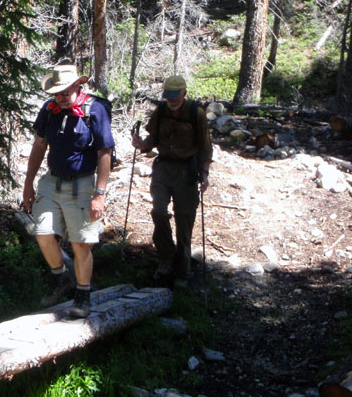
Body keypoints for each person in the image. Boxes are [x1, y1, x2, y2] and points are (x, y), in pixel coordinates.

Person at [23, 64, 115, 315]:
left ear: (78, 86)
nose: (61, 97)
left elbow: (105, 152)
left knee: (80, 243)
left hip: (82, 184)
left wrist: (100, 193)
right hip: (51, 182)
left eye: (65, 91)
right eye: (56, 93)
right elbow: (39, 146)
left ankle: (83, 296)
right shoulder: (49, 110)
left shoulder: (94, 110)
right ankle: (61, 277)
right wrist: (28, 183)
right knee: (42, 232)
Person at [131, 75, 213, 288]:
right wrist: (142, 145)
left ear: (184, 94)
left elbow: (205, 146)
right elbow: (152, 139)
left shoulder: (197, 114)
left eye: (175, 96)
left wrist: (204, 173)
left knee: (184, 220)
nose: (172, 100)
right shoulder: (161, 111)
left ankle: (183, 269)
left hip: (187, 169)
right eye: (168, 96)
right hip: (163, 168)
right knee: (158, 211)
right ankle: (166, 258)